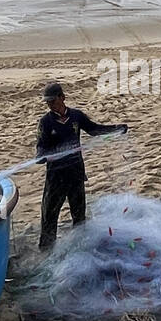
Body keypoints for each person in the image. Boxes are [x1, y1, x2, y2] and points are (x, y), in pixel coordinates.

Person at [35, 82, 128, 249]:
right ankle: (46, 251)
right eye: (48, 102)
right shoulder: (46, 122)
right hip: (55, 178)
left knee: (79, 215)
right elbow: (41, 147)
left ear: (62, 98)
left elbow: (93, 130)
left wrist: (116, 129)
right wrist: (41, 157)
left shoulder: (76, 116)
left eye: (53, 101)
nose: (50, 105)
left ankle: (80, 247)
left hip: (76, 174)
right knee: (49, 216)